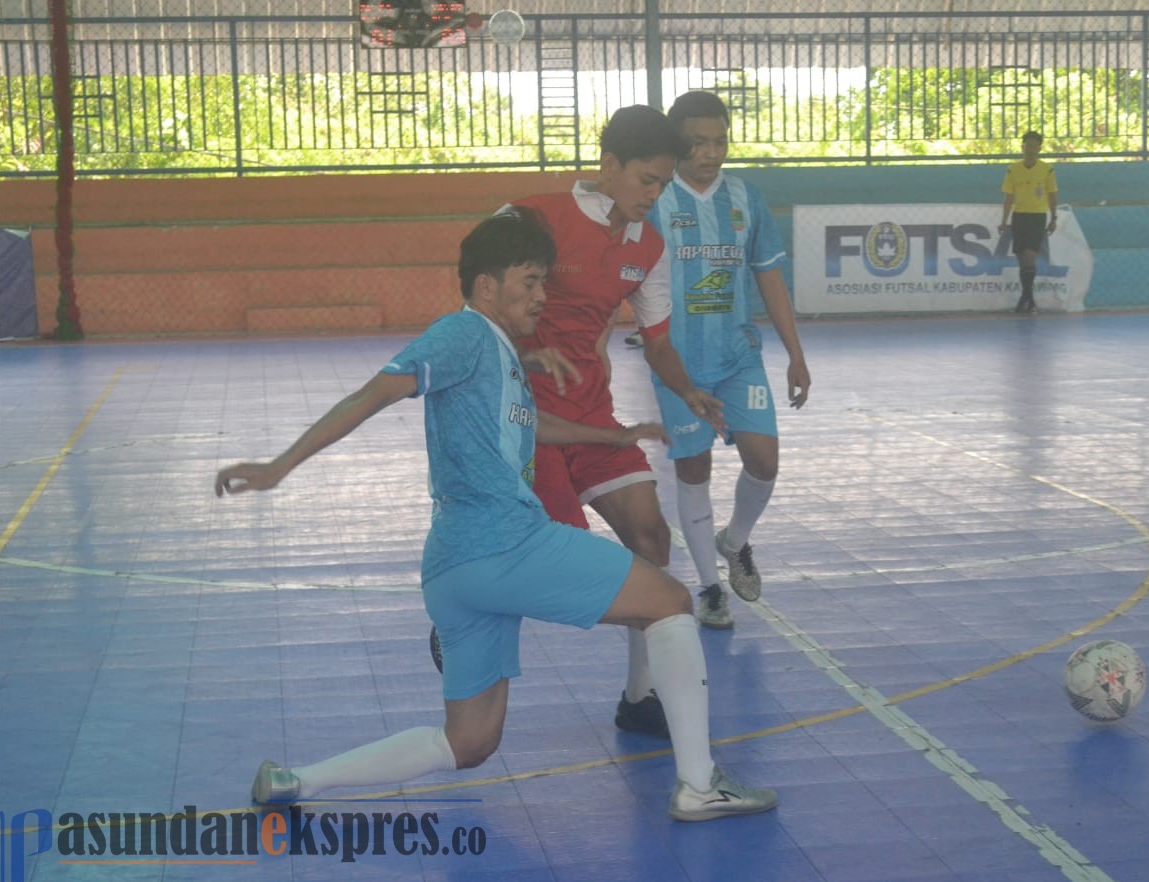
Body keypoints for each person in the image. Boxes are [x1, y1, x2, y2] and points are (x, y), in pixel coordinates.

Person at [214, 210, 777, 822]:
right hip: (506, 542)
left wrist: (616, 438)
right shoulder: (463, 336)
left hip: (457, 568)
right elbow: (375, 392)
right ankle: (699, 784)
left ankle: (296, 781)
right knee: (669, 602)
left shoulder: (498, 351)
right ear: (487, 286)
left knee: (468, 742)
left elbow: (536, 427)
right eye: (530, 282)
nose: (542, 296)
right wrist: (280, 465)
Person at [504, 105, 727, 739]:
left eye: (663, 183)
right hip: (527, 421)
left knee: (650, 537)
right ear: (608, 167)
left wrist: (689, 392)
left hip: (594, 420)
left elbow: (656, 342)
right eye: (646, 182)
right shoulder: (531, 217)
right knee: (558, 559)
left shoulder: (650, 247)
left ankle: (639, 697)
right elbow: (475, 307)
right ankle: (470, 615)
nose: (654, 196)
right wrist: (520, 353)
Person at [642, 91, 810, 630]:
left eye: (720, 141)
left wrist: (796, 355)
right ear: (675, 144)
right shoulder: (655, 201)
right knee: (694, 466)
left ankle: (734, 542)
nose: (711, 153)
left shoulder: (745, 197)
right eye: (698, 143)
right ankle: (712, 588)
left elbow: (769, 276)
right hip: (677, 363)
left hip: (738, 357)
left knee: (764, 460)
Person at [999, 131, 1059, 314]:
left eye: (1034, 146)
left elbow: (1052, 195)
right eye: (1027, 146)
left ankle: (1027, 298)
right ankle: (1028, 298)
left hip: (1037, 217)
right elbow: (1009, 197)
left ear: (1039, 148)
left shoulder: (1047, 170)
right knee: (1021, 259)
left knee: (1030, 256)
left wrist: (1053, 218)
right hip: (1019, 216)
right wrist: (1004, 221)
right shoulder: (1013, 170)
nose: (1030, 150)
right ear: (1022, 147)